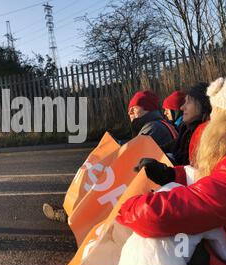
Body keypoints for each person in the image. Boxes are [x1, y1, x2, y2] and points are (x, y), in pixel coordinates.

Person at [117, 74, 226, 265]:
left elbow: (165, 214)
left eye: (217, 113)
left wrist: (124, 207)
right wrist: (171, 174)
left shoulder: (163, 128)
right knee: (170, 190)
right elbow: (213, 180)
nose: (181, 107)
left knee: (157, 241)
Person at [42, 90, 178, 223]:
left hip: (151, 182)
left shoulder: (153, 127)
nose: (129, 112)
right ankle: (73, 213)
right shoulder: (159, 125)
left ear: (147, 109)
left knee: (102, 182)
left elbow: (132, 153)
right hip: (157, 179)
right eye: (129, 109)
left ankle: (75, 216)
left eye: (134, 108)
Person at [162, 83, 211, 165]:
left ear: (202, 104)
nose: (182, 107)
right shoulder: (186, 130)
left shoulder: (207, 137)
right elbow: (172, 145)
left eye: (188, 102)